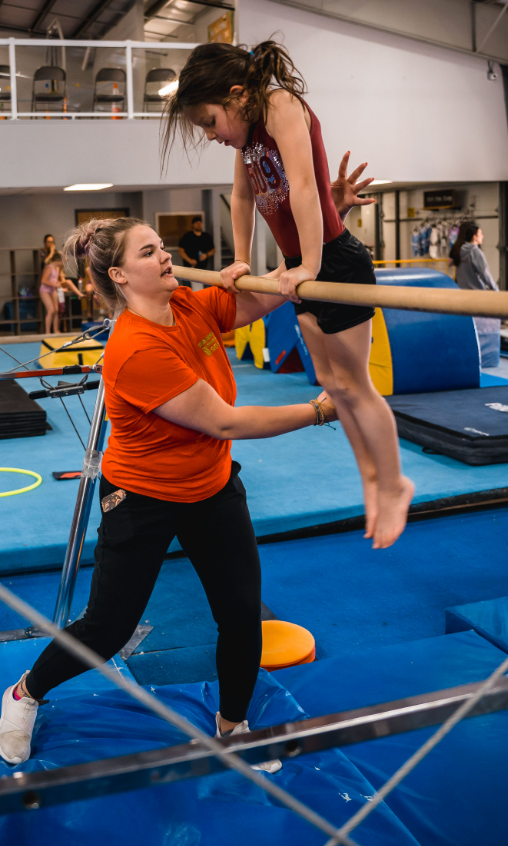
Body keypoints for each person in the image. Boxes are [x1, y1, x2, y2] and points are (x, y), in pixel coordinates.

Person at [0, 216, 338, 765]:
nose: (166, 256)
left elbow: (256, 302)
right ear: (121, 276)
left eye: (162, 246)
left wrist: (309, 239)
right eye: (150, 251)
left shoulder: (188, 306)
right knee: (108, 628)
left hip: (211, 485)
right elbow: (225, 422)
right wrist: (320, 409)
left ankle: (232, 725)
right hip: (143, 497)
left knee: (242, 611)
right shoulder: (134, 349)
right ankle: (25, 693)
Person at [163, 41, 412, 551]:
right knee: (331, 384)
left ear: (235, 95)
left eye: (210, 122)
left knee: (355, 385)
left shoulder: (279, 106)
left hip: (334, 262)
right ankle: (368, 475)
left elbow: (301, 186)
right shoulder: (246, 137)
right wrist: (240, 261)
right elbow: (240, 196)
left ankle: (394, 482)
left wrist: (310, 266)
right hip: (298, 270)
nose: (211, 135)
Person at [450, 221, 500, 367]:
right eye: (480, 234)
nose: (483, 236)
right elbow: (485, 275)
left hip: (462, 294)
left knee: (466, 331)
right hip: (477, 296)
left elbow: (451, 264)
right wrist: (496, 291)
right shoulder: (475, 251)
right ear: (474, 237)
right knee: (480, 332)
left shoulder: (459, 250)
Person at [178, 216, 216, 288]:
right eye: (196, 223)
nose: (199, 224)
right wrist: (189, 260)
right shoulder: (187, 236)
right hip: (189, 268)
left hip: (202, 268)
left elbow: (213, 250)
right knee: (188, 288)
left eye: (200, 222)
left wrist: (206, 255)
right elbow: (181, 251)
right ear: (193, 224)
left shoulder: (206, 236)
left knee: (203, 289)